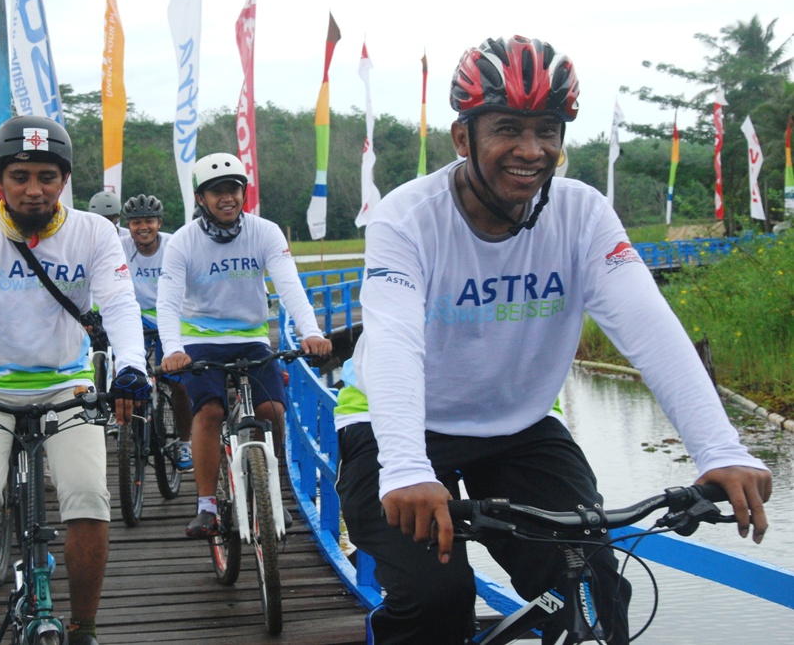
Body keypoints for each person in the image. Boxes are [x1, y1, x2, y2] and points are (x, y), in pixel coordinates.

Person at [334, 35, 772, 645]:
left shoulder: (583, 215)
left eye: (548, 130)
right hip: (395, 426)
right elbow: (395, 339)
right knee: (437, 600)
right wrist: (407, 466)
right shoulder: (406, 217)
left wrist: (720, 449)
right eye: (508, 129)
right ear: (464, 139)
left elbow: (650, 331)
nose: (532, 150)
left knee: (596, 594)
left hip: (520, 428)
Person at [0, 115, 150, 645]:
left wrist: (133, 365)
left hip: (67, 384)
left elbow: (119, 303)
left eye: (47, 175)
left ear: (64, 180)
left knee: (89, 496)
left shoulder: (93, 232)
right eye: (20, 176)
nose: (34, 189)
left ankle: (84, 625)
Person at [157, 152, 333, 537]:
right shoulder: (184, 242)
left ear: (244, 193)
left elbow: (288, 284)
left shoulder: (265, 231)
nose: (227, 198)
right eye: (217, 191)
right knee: (211, 411)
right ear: (201, 198)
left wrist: (311, 332)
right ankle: (206, 505)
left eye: (234, 190)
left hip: (251, 336)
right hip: (199, 339)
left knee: (272, 409)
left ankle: (275, 493)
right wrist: (173, 349)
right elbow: (168, 300)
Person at [121, 193, 193, 470]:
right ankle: (128, 432)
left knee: (177, 381)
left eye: (149, 221)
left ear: (159, 222)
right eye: (136, 222)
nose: (143, 227)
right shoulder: (120, 247)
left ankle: (185, 441)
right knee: (126, 371)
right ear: (128, 225)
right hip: (133, 317)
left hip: (170, 316)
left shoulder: (174, 245)